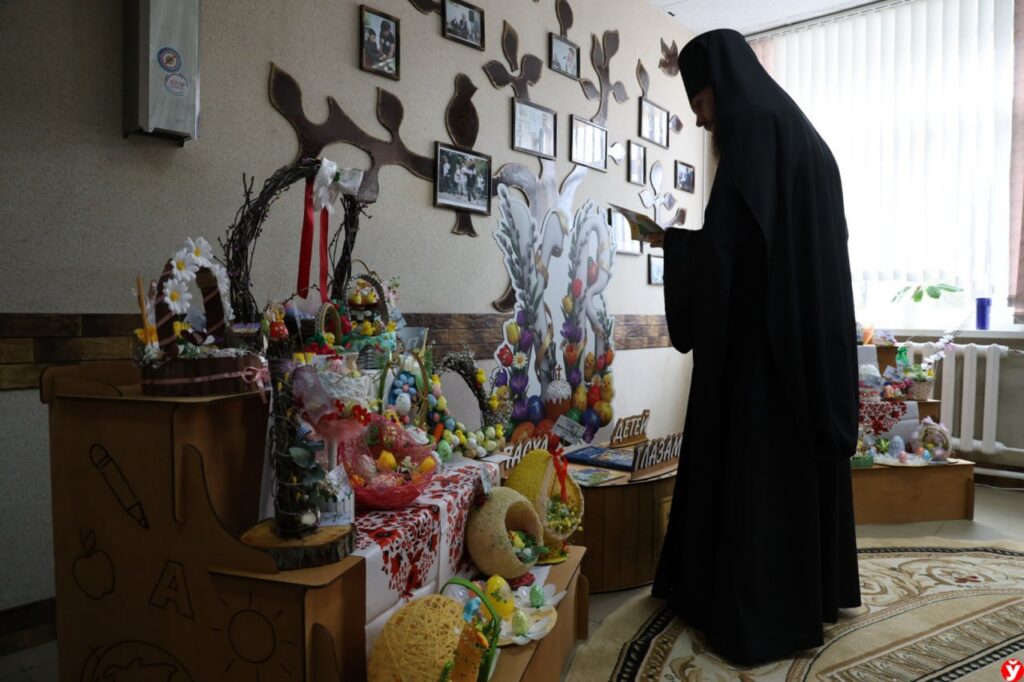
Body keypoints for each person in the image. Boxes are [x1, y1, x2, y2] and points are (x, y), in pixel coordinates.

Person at [649, 29, 861, 665]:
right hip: (806, 344)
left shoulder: (753, 135)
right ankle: (814, 593)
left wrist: (674, 244)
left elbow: (728, 252)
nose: (699, 116)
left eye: (700, 100)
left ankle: (758, 614)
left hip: (763, 356)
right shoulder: (799, 133)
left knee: (754, 476)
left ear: (723, 85)